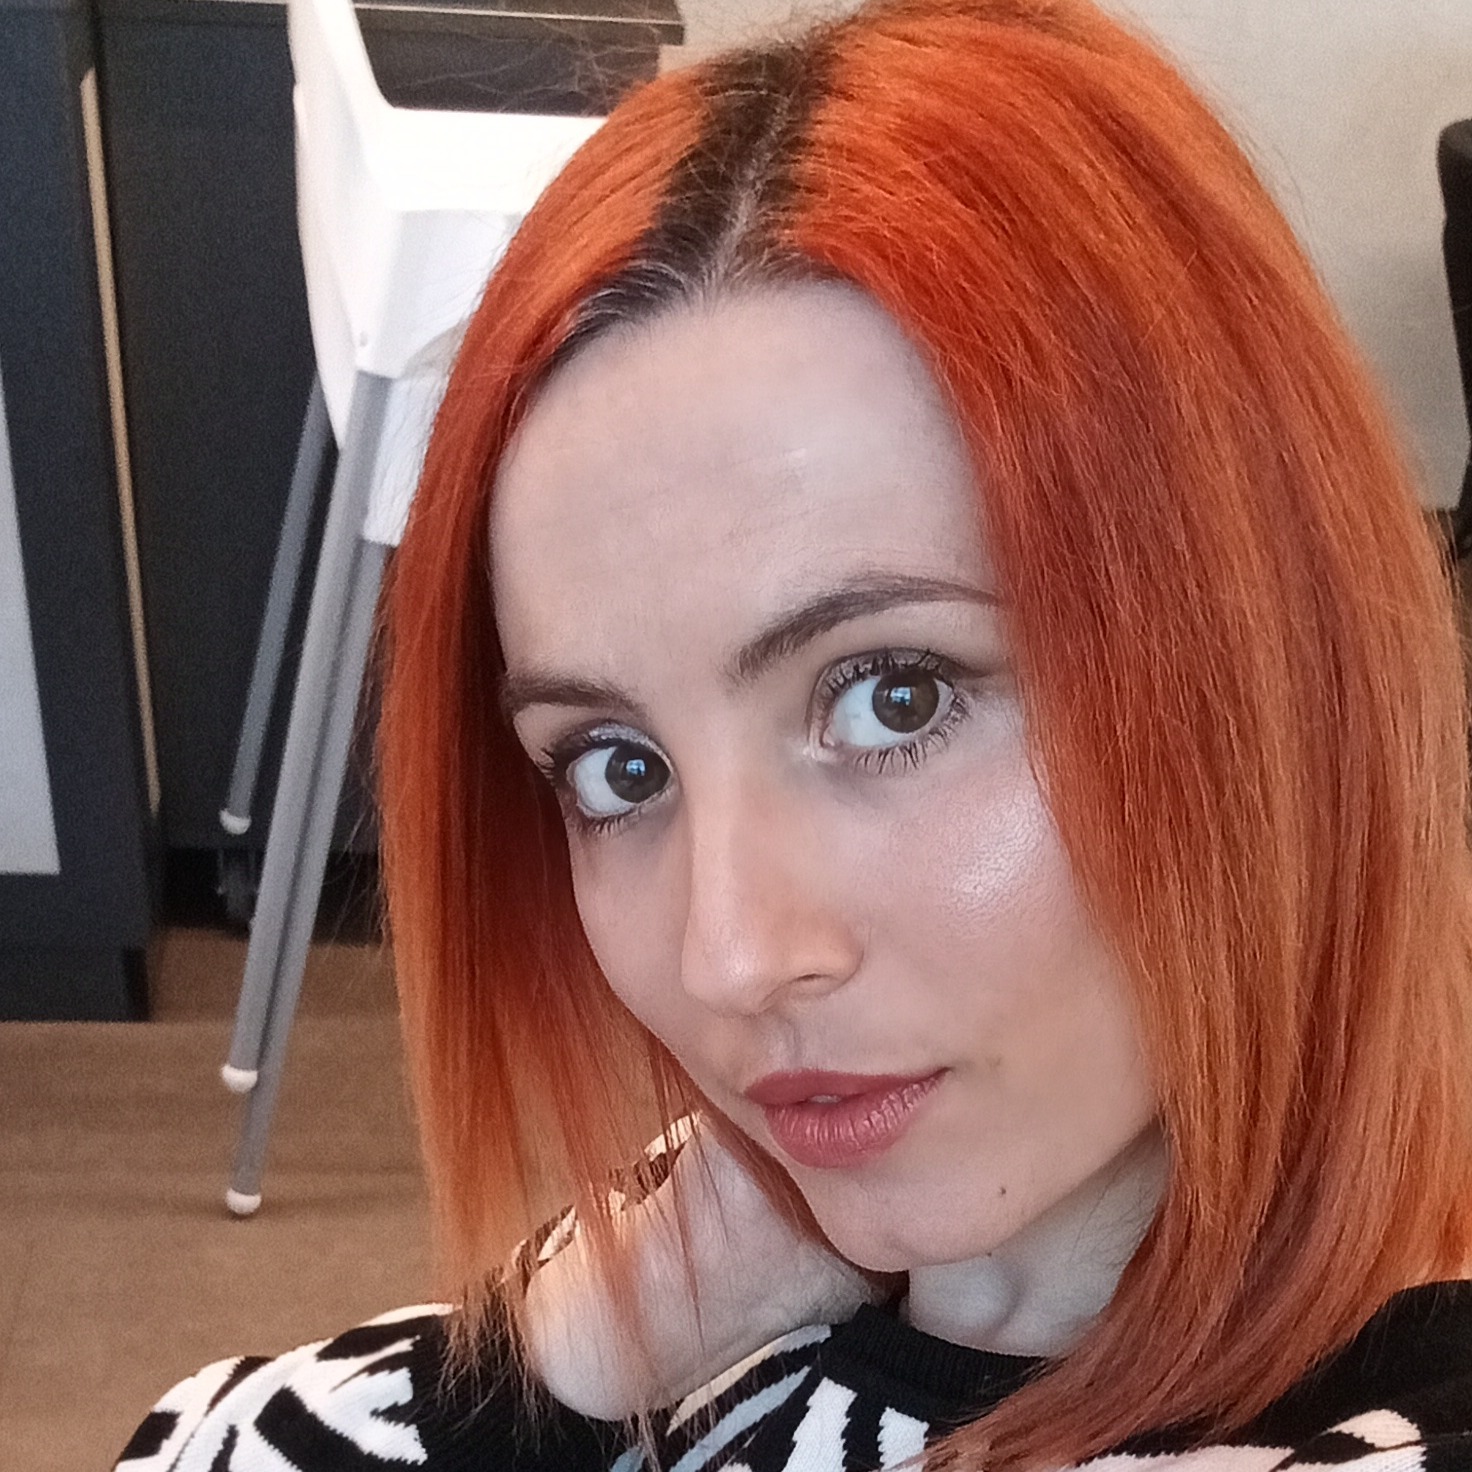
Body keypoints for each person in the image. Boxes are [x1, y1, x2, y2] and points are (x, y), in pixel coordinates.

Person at [116, 0, 1472, 1468]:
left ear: (1266, 651)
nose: (730, 957)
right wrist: (584, 1349)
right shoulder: (744, 1228)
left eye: (897, 696)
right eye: (620, 769)